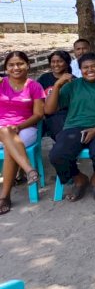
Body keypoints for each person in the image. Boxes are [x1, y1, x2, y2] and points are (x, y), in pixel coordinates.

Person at [46, 53, 95, 202]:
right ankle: (79, 178)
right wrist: (57, 85)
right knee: (57, 155)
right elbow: (49, 110)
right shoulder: (73, 85)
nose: (90, 70)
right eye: (85, 67)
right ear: (80, 70)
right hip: (74, 127)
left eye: (94, 66)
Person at [0, 52, 44, 214]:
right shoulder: (1, 83)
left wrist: (18, 127)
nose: (15, 68)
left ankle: (4, 197)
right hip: (2, 127)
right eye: (11, 65)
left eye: (20, 64)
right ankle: (29, 170)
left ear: (28, 65)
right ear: (6, 68)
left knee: (10, 145)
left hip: (26, 128)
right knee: (5, 133)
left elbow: (38, 115)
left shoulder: (34, 86)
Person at [37, 50, 74, 139]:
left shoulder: (73, 80)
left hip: (68, 116)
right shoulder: (44, 79)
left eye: (60, 61)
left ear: (67, 63)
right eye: (53, 62)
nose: (56, 64)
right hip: (50, 116)